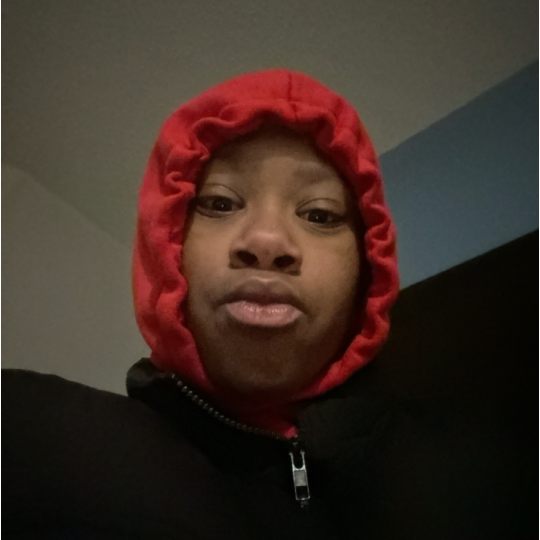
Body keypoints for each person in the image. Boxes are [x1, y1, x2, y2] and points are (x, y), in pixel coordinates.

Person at [3, 69, 400, 539]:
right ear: (165, 245)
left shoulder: (455, 474)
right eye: (220, 203)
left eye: (319, 214)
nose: (267, 241)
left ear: (367, 270)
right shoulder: (30, 441)